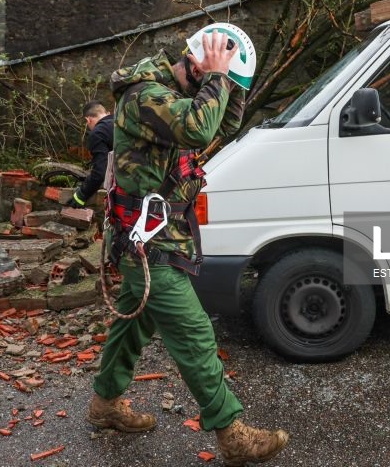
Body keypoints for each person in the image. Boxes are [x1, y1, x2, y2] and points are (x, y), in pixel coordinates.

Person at [87, 24, 289, 466]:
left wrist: (228, 83)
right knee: (195, 334)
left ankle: (105, 403)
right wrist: (218, 75)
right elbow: (198, 128)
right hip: (147, 245)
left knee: (133, 324)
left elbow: (223, 124)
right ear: (198, 62)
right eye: (217, 74)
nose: (222, 84)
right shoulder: (145, 96)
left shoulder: (174, 93)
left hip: (154, 238)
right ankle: (231, 432)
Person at [66, 100, 114, 208]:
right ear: (108, 113)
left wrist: (82, 194)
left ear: (88, 120)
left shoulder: (98, 132)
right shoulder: (122, 123)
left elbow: (100, 172)